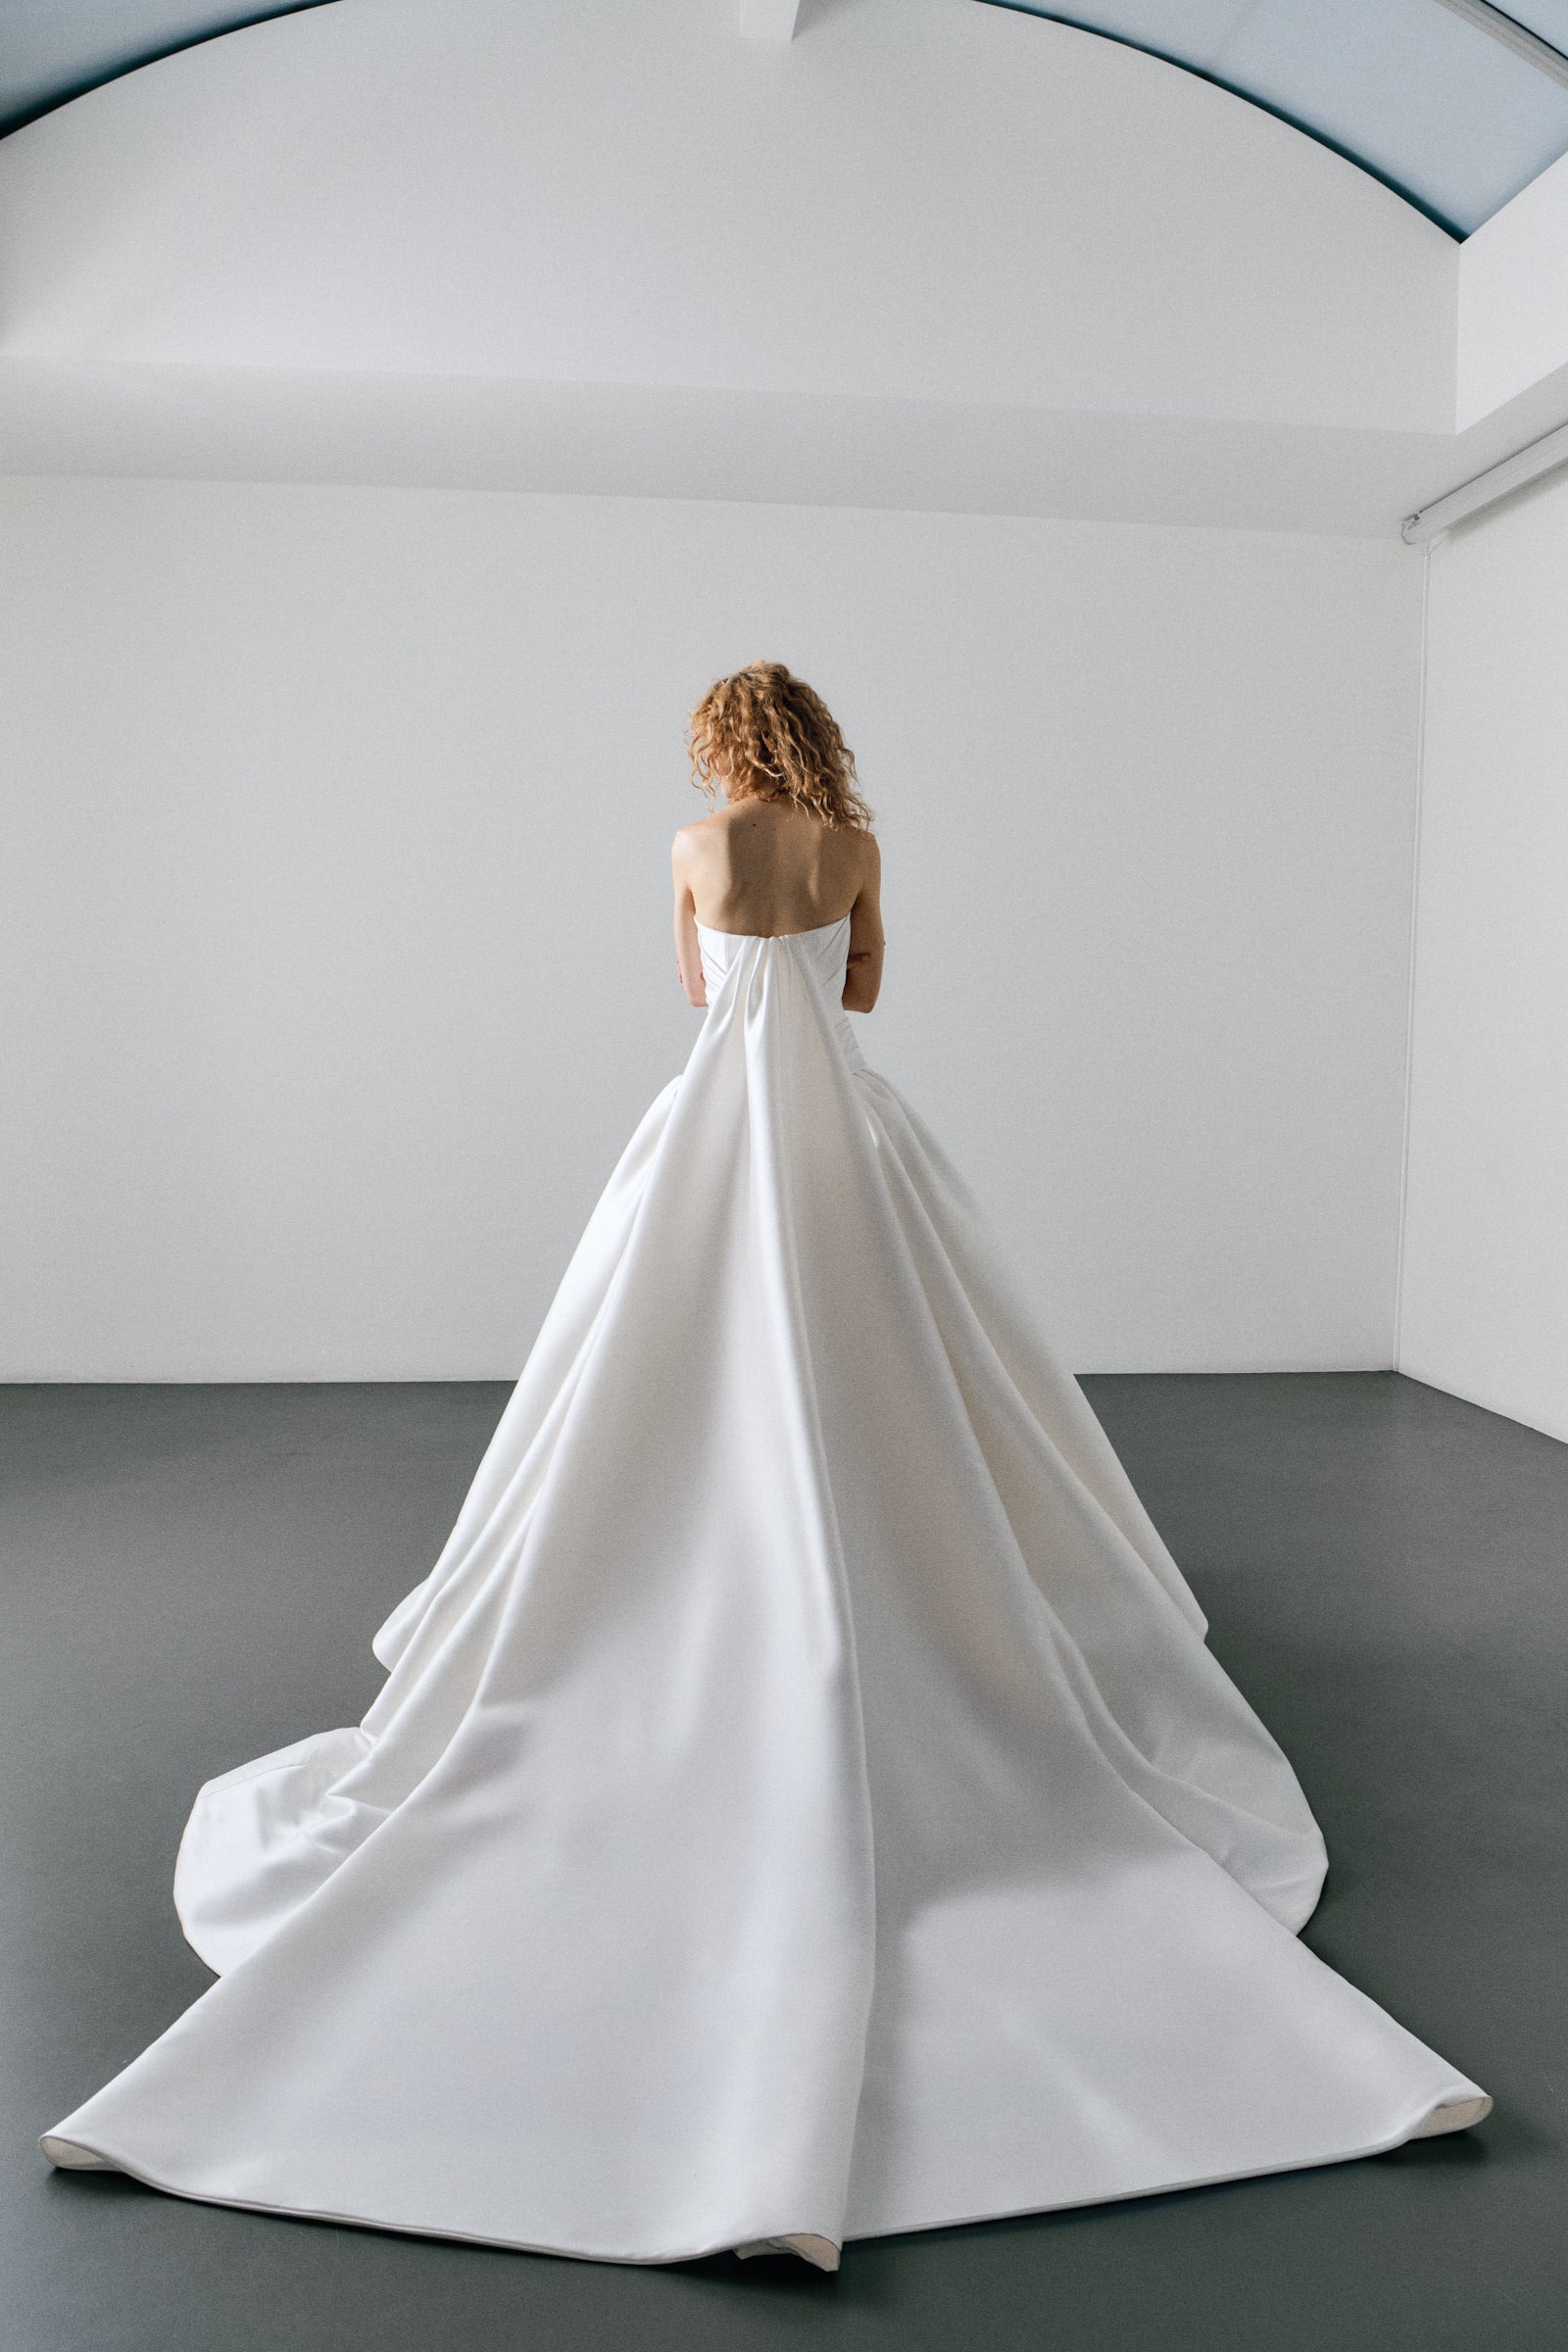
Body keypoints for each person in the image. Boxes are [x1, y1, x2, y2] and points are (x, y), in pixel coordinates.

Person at [42, 662, 1489, 2272]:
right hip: (844, 1139)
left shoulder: (688, 844)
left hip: (714, 1135)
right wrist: (818, 941)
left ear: (719, 745)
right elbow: (858, 998)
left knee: (650, 1357)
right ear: (814, 742)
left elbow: (696, 1000)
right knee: (914, 1365)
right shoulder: (856, 848)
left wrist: (738, 952)